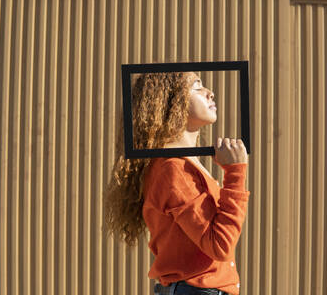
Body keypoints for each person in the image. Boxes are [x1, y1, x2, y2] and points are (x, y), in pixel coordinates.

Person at [104, 71, 249, 295]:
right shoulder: (173, 169)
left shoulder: (178, 165)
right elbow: (220, 245)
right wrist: (235, 173)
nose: (210, 93)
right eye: (197, 86)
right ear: (172, 101)